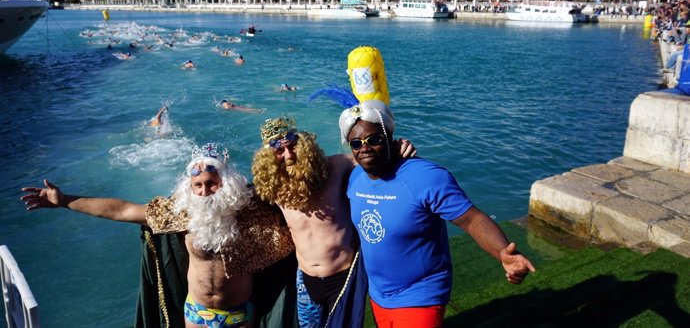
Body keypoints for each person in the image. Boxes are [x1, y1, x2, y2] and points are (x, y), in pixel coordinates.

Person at [20, 144, 295, 328]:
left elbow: (295, 199)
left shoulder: (251, 210)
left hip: (238, 313)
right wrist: (65, 200)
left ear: (226, 183)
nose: (204, 191)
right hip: (196, 312)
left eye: (211, 184)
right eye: (197, 185)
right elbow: (123, 210)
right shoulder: (182, 213)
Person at [339, 100, 536, 327]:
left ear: (389, 137)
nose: (365, 148)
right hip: (378, 294)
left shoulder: (425, 177)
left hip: (420, 294)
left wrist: (502, 252)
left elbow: (471, 219)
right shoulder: (354, 180)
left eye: (373, 140)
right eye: (356, 143)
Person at [251, 117, 415, 327]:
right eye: (279, 152)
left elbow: (371, 155)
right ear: (269, 158)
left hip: (343, 279)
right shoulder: (271, 186)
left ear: (303, 145)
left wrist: (397, 148)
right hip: (305, 281)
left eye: (293, 147)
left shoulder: (336, 166)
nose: (289, 155)